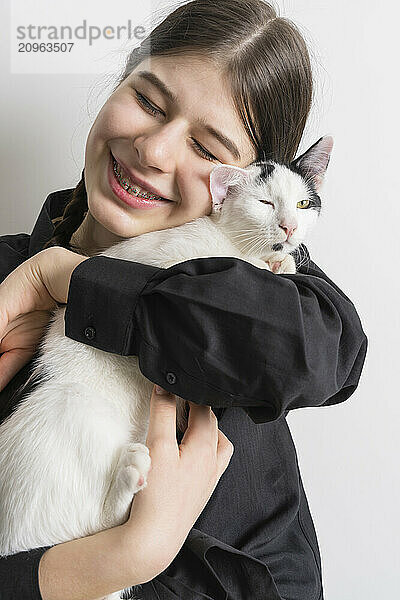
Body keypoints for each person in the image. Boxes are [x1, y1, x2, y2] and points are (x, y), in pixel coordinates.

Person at [0, 1, 368, 598]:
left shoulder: (263, 318)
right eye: (148, 101)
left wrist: (69, 280)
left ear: (246, 187)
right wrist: (125, 556)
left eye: (209, 149)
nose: (155, 151)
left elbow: (327, 349)